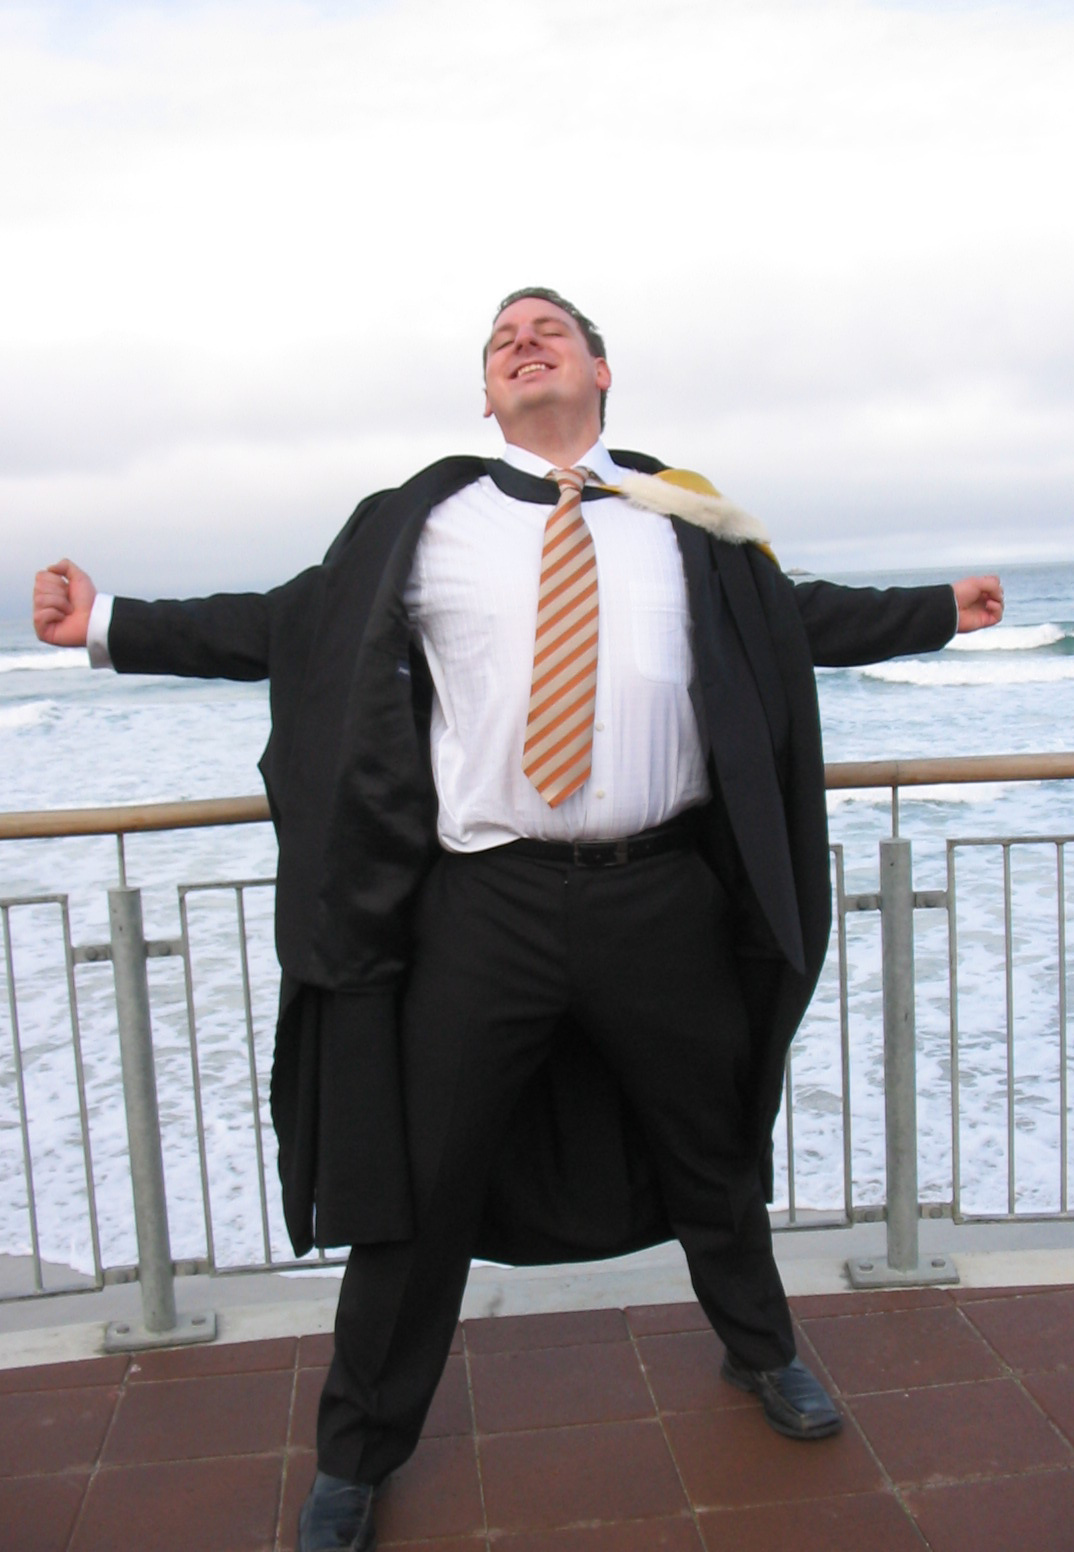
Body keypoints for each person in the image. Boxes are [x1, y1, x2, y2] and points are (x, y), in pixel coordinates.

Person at [34, 287, 1004, 1552]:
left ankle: (764, 1350)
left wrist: (939, 611)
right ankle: (357, 1452)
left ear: (601, 369)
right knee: (422, 1178)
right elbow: (287, 624)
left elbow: (795, 618)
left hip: (661, 893)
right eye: (502, 339)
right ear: (486, 396)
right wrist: (108, 623)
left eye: (548, 328)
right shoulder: (423, 521)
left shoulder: (684, 515)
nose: (522, 341)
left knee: (710, 1144)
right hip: (484, 902)